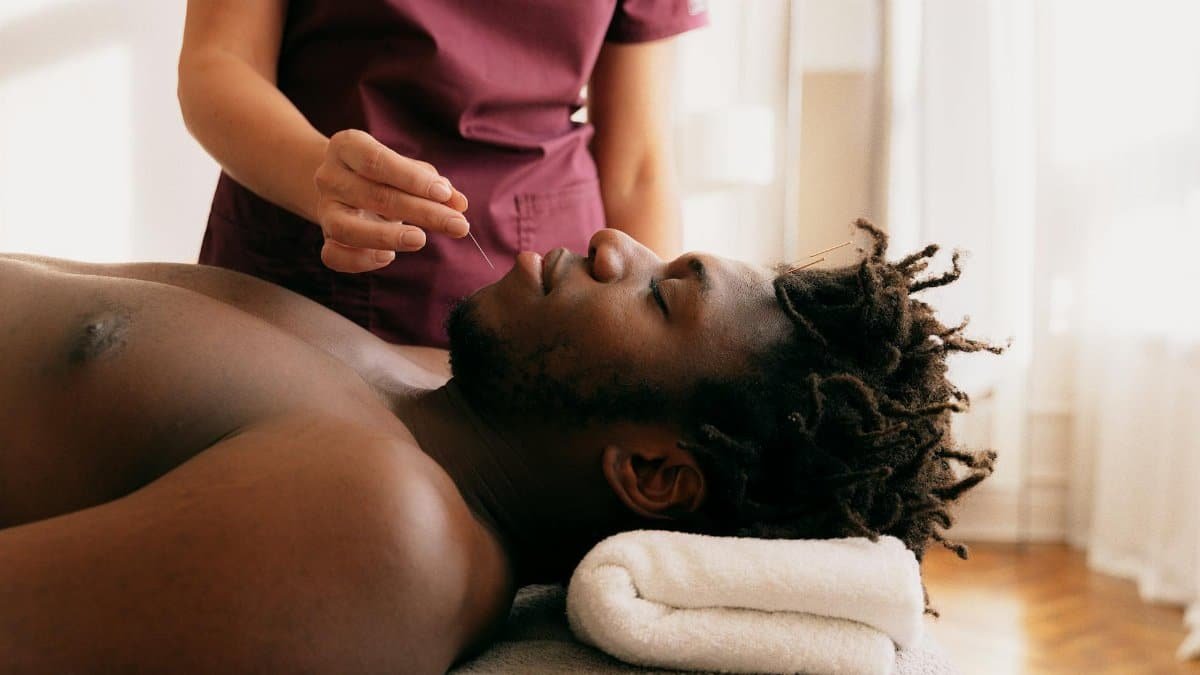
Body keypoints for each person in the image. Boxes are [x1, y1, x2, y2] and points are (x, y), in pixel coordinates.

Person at [0, 222, 997, 672]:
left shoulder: (385, 536)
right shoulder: (405, 383)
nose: (615, 243)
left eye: (661, 294)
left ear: (653, 473)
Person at [178, 1, 705, 348]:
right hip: (307, 278)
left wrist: (654, 352)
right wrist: (318, 175)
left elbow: (637, 166)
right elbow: (219, 59)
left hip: (551, 315)